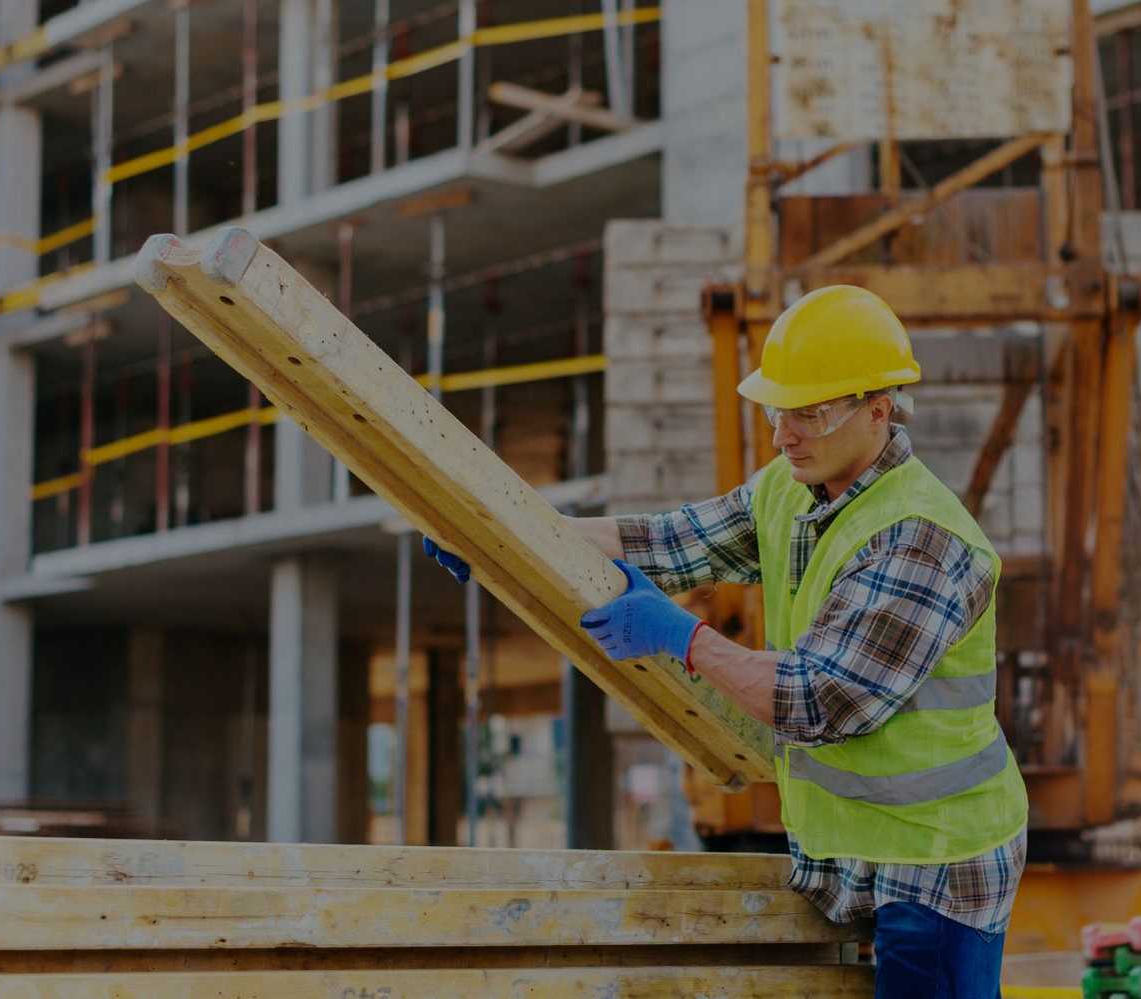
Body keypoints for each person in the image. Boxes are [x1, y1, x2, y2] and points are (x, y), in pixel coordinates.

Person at [425, 284, 1028, 998]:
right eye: (779, 408)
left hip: (938, 862)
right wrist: (509, 539)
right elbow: (670, 541)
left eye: (809, 411)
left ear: (878, 410)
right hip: (854, 848)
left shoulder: (923, 541)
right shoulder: (793, 488)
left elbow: (816, 701)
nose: (783, 434)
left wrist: (685, 638)